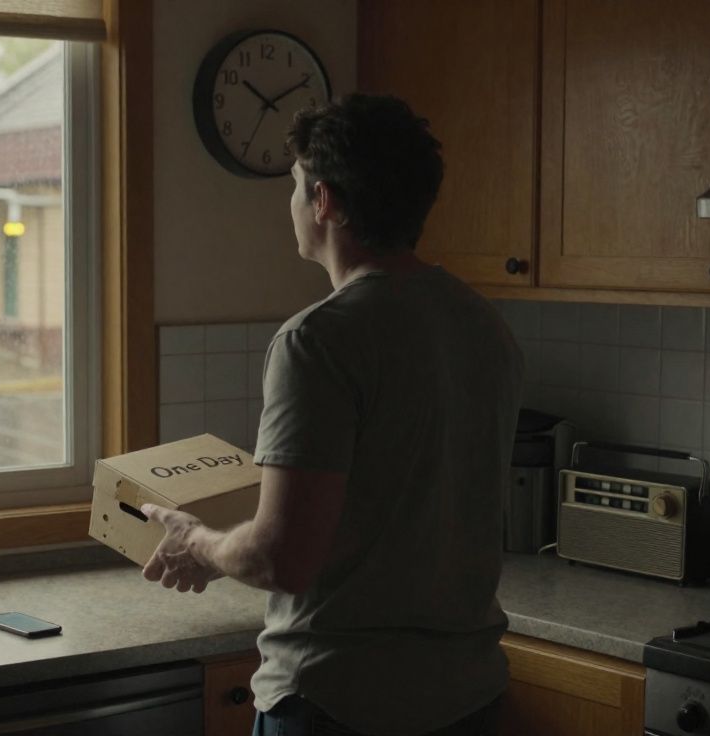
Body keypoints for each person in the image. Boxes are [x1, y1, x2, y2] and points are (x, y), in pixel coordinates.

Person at [139, 94, 525, 736]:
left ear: (323, 200)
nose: (290, 205)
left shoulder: (317, 340)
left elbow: (280, 559)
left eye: (294, 186)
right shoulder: (483, 324)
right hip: (467, 698)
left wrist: (197, 542)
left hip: (339, 702)